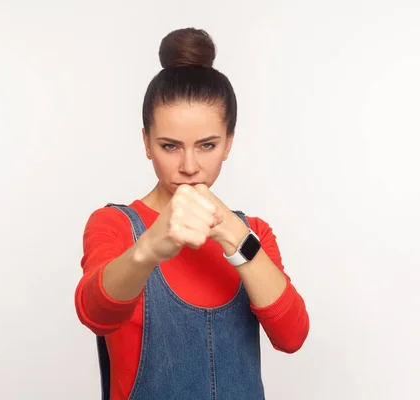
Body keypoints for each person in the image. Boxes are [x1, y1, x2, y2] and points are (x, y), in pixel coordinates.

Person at [75, 27, 310, 400]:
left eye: (207, 145)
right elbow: (96, 314)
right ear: (146, 143)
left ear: (229, 143)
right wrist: (149, 248)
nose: (189, 166)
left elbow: (292, 337)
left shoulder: (253, 233)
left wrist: (234, 235)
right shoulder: (115, 225)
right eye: (170, 146)